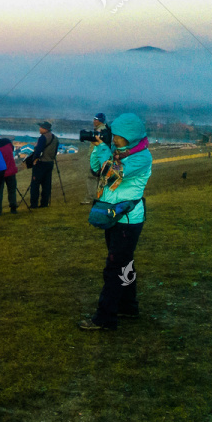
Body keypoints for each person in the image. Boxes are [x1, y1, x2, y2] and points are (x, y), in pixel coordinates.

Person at [79, 113, 152, 331]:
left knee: (114, 267)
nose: (115, 139)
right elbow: (97, 171)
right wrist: (97, 146)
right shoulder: (117, 152)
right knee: (124, 263)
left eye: (118, 136)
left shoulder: (141, 157)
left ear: (130, 136)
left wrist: (103, 149)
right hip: (113, 215)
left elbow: (111, 174)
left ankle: (105, 318)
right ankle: (128, 306)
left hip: (127, 219)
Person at [26, 121, 58, 208]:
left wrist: (35, 160)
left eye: (41, 127)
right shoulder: (55, 138)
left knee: (35, 184)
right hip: (50, 163)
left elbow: (38, 151)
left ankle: (34, 204)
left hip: (41, 163)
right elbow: (55, 151)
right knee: (46, 184)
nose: (39, 129)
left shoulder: (42, 138)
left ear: (45, 129)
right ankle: (44, 203)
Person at [82, 113, 109, 204]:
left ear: (99, 120)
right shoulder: (105, 129)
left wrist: (92, 158)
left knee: (91, 177)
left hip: (97, 158)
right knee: (99, 178)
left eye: (95, 119)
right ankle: (100, 197)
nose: (93, 121)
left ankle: (91, 198)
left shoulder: (100, 131)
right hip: (100, 157)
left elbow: (97, 146)